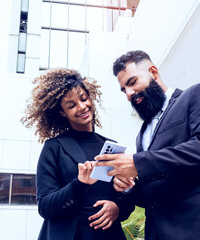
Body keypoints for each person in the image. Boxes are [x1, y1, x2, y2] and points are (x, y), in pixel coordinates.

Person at [95, 50, 200, 239]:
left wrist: (138, 163)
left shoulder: (198, 94)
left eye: (132, 82)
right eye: (124, 90)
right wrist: (130, 186)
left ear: (153, 72)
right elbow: (153, 197)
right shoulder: (142, 135)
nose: (129, 94)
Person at [21, 68, 134, 240]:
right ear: (62, 112)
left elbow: (126, 196)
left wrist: (117, 207)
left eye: (83, 98)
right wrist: (79, 184)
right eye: (71, 105)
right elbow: (45, 206)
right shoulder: (54, 148)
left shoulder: (111, 147)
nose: (82, 107)